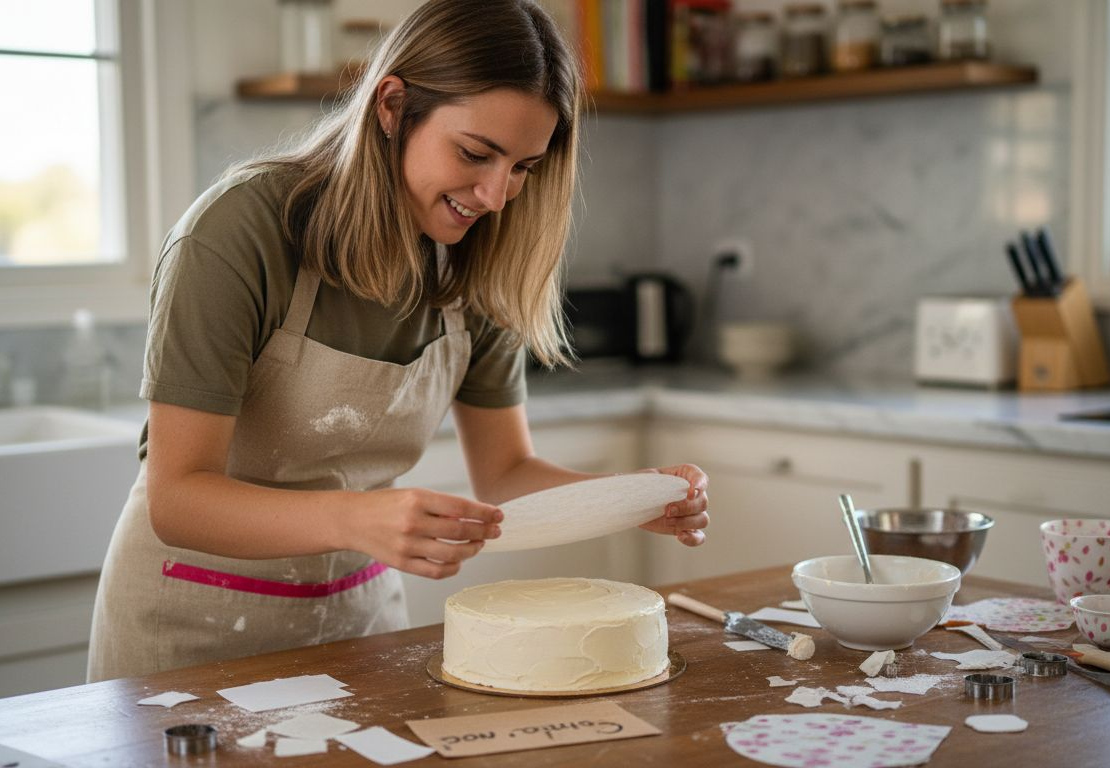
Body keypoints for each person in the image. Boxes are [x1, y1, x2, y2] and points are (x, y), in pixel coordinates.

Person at [87, 0, 709, 682]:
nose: (498, 195)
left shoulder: (478, 257)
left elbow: (505, 475)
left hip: (357, 626)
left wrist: (626, 498)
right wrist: (358, 519)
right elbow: (178, 498)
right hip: (187, 632)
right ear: (391, 106)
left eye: (525, 167)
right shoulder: (242, 230)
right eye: (476, 153)